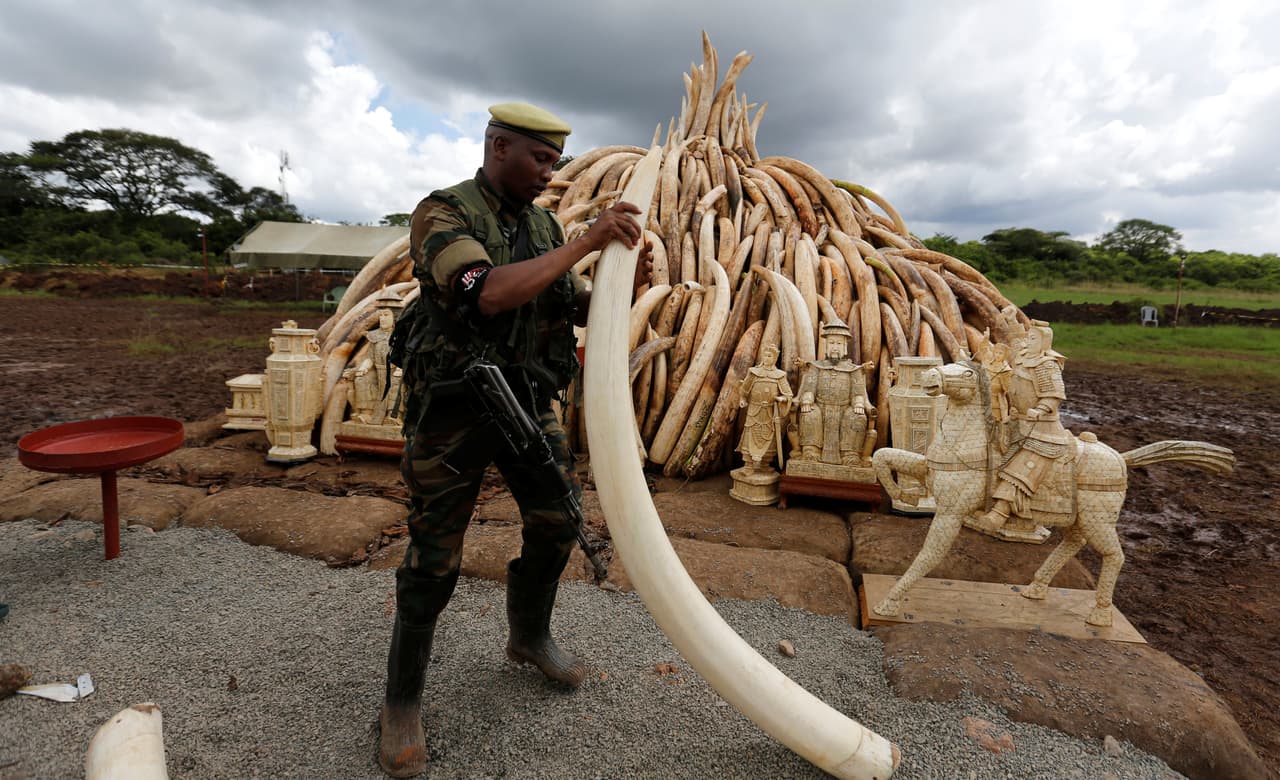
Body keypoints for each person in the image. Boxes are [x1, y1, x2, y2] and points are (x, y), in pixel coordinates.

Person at [379, 102, 650, 778]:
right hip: (453, 412)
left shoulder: (541, 225)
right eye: (539, 158)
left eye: (556, 161)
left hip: (527, 401)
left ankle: (529, 637)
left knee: (559, 520)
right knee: (434, 555)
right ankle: (401, 702)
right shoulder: (443, 214)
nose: (548, 172)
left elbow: (566, 299)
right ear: (499, 147)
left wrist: (620, 282)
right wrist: (587, 241)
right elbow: (489, 294)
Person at [973, 309, 1071, 536]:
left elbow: (1054, 394)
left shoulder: (1047, 364)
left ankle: (1000, 513)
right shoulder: (1024, 354)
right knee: (996, 457)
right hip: (1016, 423)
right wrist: (1011, 320)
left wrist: (1041, 409)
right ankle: (982, 502)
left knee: (1022, 466)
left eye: (1034, 338)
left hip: (1043, 430)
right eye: (1030, 336)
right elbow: (1017, 338)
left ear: (1045, 342)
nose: (1029, 340)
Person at [736, 343, 792, 473]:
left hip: (770, 412)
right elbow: (744, 389)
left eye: (769, 356)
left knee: (768, 436)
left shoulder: (780, 375)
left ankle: (764, 465)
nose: (767, 358)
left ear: (774, 358)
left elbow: (788, 394)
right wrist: (743, 399)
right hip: (754, 411)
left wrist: (782, 399)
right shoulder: (754, 372)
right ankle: (748, 465)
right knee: (750, 433)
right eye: (765, 355)